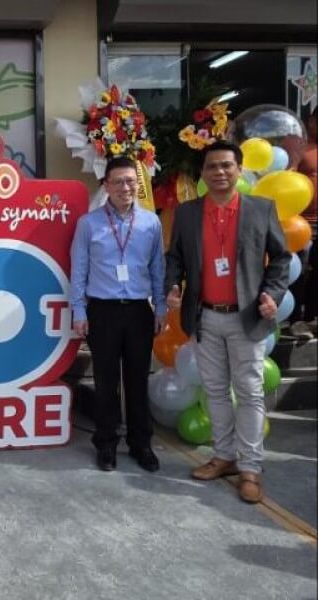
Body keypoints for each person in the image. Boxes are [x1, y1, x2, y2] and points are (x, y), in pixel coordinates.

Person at [165, 140, 289, 504]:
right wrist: (173, 285)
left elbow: (281, 259)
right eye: (212, 167)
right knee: (216, 390)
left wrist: (272, 294)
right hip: (205, 316)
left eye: (226, 166)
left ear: (238, 170)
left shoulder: (260, 209)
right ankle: (224, 456)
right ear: (203, 174)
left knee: (249, 392)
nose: (219, 172)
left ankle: (250, 468)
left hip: (246, 317)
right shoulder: (188, 213)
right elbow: (176, 258)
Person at [70, 156, 167, 473]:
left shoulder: (151, 222)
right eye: (118, 182)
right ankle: (106, 444)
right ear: (106, 186)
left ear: (138, 184)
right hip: (103, 311)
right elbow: (79, 269)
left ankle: (141, 444)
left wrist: (161, 307)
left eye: (131, 181)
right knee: (105, 380)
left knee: (138, 381)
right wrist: (78, 310)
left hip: (139, 310)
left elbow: (157, 269)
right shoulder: (90, 223)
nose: (126, 187)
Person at [290, 106, 317, 339]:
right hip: (301, 222)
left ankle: (312, 317)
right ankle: (296, 320)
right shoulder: (300, 148)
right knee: (298, 272)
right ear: (311, 122)